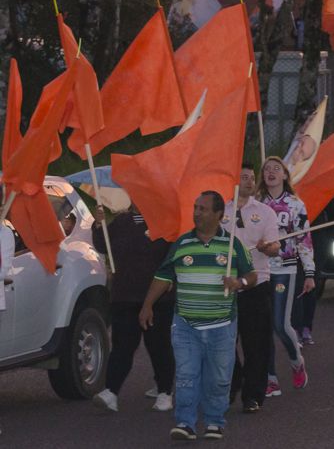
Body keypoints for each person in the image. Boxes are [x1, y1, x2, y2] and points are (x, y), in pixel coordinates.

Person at [141, 191, 256, 442]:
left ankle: (214, 421)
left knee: (219, 377)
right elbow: (163, 276)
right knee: (186, 375)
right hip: (185, 325)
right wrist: (147, 304)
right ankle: (186, 423)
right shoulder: (182, 244)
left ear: (218, 215)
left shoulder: (233, 244)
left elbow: (252, 275)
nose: (196, 212)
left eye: (203, 209)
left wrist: (240, 281)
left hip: (222, 325)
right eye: (195, 207)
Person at [91, 206, 174, 413]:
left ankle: (165, 391)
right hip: (125, 295)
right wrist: (98, 225)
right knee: (122, 346)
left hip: (157, 297)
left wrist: (171, 278)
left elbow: (174, 254)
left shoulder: (164, 222)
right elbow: (103, 245)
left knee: (158, 345)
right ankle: (111, 392)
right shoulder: (121, 222)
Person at [224, 163, 280, 413]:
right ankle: (232, 383)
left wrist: (269, 248)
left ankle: (253, 395)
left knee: (256, 344)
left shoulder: (266, 212)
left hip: (257, 284)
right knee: (224, 343)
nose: (248, 180)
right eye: (243, 176)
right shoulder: (221, 211)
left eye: (251, 177)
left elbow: (276, 247)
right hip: (226, 288)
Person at [258, 157, 313, 396]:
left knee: (281, 324)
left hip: (285, 269)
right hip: (260, 271)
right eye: (267, 169)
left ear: (284, 176)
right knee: (263, 326)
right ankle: (270, 378)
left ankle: (296, 361)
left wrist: (309, 272)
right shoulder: (255, 204)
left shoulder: (295, 204)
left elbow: (305, 240)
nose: (271, 172)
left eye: (276, 169)